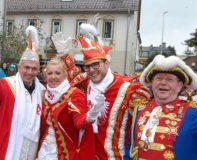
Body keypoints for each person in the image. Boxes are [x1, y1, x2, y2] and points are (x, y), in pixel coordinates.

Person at [51, 23, 151, 159]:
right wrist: (64, 55)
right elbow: (73, 75)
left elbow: (143, 125)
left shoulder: (128, 89)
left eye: (96, 64)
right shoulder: (86, 83)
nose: (91, 70)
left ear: (106, 63)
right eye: (87, 66)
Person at [0, 26, 45, 160]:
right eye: (26, 67)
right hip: (5, 150)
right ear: (19, 67)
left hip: (30, 152)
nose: (30, 72)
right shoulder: (8, 85)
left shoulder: (42, 92)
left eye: (34, 69)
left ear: (38, 71)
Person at [125, 55, 197, 160]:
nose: (163, 83)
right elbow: (131, 146)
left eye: (170, 79)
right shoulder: (139, 109)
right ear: (152, 83)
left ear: (180, 85)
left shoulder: (195, 113)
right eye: (159, 78)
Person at [36, 57, 96, 159]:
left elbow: (79, 122)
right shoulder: (43, 94)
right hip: (43, 150)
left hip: (65, 152)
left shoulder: (74, 94)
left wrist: (89, 117)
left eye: (57, 73)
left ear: (65, 74)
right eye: (50, 73)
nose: (53, 77)